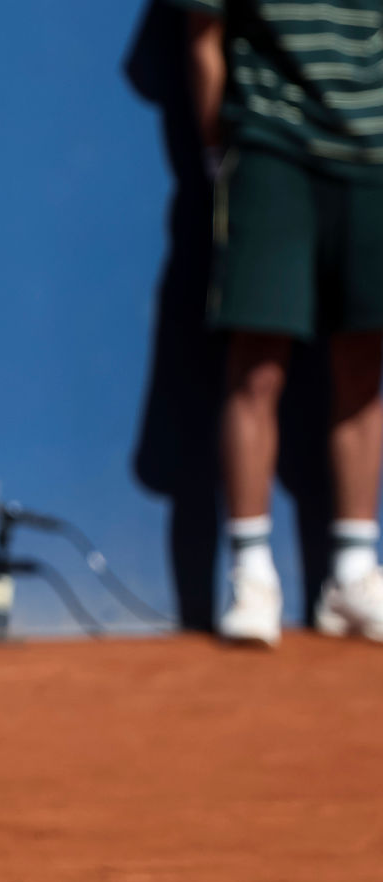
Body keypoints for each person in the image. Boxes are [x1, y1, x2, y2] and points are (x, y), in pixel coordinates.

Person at [170, 0, 383, 645]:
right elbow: (203, 35)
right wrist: (220, 150)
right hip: (271, 144)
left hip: (375, 158)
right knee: (257, 368)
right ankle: (252, 574)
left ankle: (353, 576)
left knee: (364, 369)